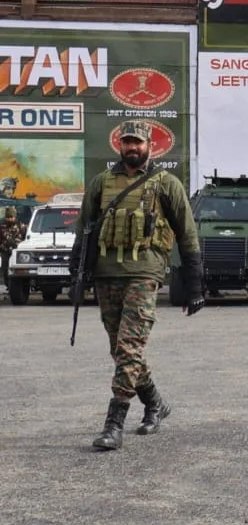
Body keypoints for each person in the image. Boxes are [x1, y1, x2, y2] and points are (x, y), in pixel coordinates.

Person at [78, 120, 203, 451]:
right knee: (120, 351)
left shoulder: (166, 184)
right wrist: (77, 273)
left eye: (138, 142)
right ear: (119, 145)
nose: (132, 147)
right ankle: (155, 403)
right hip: (106, 273)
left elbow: (187, 235)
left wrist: (195, 286)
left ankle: (114, 424)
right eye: (127, 142)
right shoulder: (101, 183)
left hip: (145, 273)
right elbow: (84, 229)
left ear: (150, 146)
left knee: (129, 346)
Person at [1, 206, 22, 288]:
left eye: (11, 217)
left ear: (14, 217)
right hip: (5, 251)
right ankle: (8, 286)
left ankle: (17, 288)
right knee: (5, 270)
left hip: (17, 252)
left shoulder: (20, 226)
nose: (9, 219)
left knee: (17, 271)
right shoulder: (2, 226)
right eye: (8, 217)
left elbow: (25, 238)